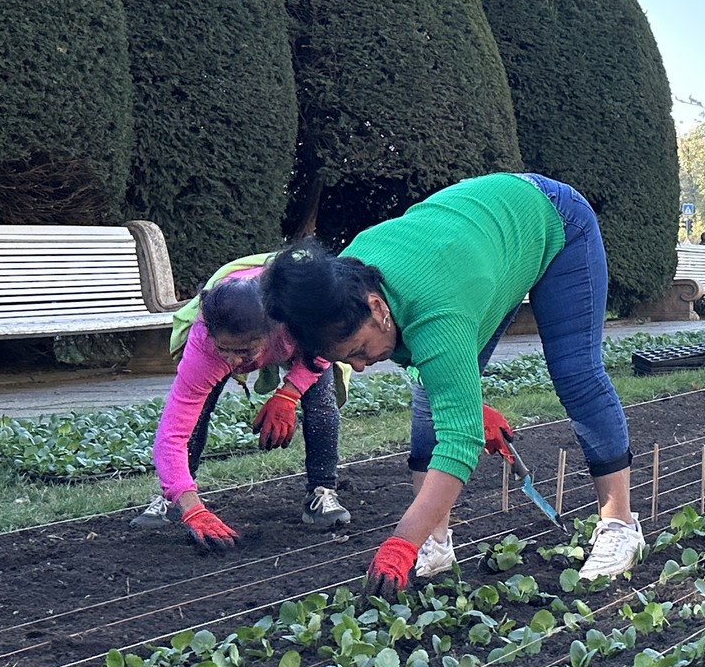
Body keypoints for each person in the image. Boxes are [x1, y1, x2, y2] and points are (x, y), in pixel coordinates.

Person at [264, 173, 642, 595]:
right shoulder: (342, 285)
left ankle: (620, 524)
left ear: (376, 306)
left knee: (576, 373)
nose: (362, 367)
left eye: (358, 350)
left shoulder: (435, 311)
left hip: (551, 218)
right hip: (475, 250)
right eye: (347, 360)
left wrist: (400, 541)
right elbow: (429, 375)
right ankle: (435, 542)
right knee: (429, 395)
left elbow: (459, 440)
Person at [132, 258, 349, 550]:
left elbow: (323, 352)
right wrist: (191, 505)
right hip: (231, 322)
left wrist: (288, 393)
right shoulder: (205, 346)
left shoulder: (300, 318)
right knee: (197, 413)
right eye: (226, 349)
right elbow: (172, 433)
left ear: (273, 334)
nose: (234, 361)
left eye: (245, 351)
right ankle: (176, 495)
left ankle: (322, 491)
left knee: (321, 399)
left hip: (297, 329)